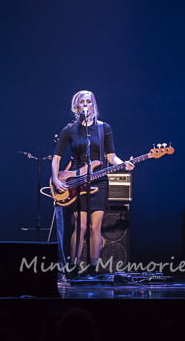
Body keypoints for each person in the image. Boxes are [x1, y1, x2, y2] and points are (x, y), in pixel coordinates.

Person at [50, 90, 132, 276]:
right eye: (82, 102)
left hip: (99, 181)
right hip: (77, 181)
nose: (86, 104)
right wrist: (55, 178)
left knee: (95, 227)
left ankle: (93, 269)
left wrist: (124, 164)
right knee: (80, 226)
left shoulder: (104, 128)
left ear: (94, 105)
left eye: (89, 101)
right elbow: (56, 158)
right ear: (76, 106)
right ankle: (73, 267)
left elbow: (111, 156)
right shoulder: (69, 129)